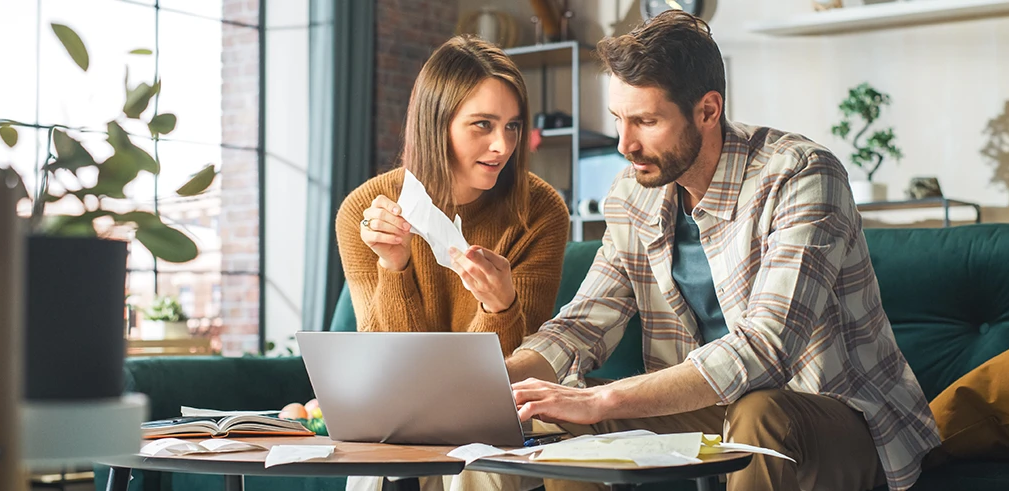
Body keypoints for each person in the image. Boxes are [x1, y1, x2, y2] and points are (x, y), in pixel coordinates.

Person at [504, 11, 940, 491]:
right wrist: (496, 383)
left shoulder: (801, 175)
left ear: (708, 110)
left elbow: (768, 348)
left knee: (760, 413)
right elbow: (583, 324)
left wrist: (604, 400)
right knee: (565, 421)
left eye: (646, 121)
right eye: (618, 120)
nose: (625, 144)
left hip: (836, 416)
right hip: (711, 414)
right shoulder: (633, 193)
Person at [336, 35, 569, 358]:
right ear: (436, 125)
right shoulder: (364, 211)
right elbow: (387, 365)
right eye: (483, 124)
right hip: (400, 405)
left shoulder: (541, 210)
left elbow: (519, 372)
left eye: (512, 126)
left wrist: (500, 307)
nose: (503, 146)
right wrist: (393, 266)